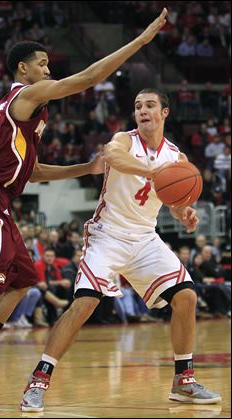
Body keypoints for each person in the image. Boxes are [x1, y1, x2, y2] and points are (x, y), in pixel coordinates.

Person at [0, 8, 169, 415]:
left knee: (21, 282)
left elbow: (34, 170)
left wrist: (86, 167)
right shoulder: (26, 94)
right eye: (42, 63)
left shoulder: (27, 111)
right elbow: (88, 79)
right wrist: (141, 42)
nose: (48, 69)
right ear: (23, 69)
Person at [19, 88, 221, 412]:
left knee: (187, 296)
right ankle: (38, 380)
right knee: (84, 303)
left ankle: (183, 380)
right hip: (107, 235)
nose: (142, 110)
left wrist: (184, 211)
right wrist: (154, 173)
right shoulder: (124, 140)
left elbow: (172, 198)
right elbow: (112, 157)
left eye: (150, 105)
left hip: (145, 237)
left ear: (164, 113)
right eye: (138, 105)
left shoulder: (177, 157)